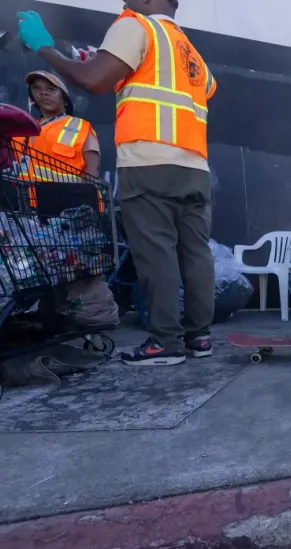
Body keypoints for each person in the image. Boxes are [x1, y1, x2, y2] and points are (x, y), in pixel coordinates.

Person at [17, 1, 218, 366]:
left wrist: (44, 46)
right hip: (195, 166)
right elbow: (201, 87)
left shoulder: (135, 25)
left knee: (156, 251)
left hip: (148, 162)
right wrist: (99, 57)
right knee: (195, 252)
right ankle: (199, 337)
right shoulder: (189, 51)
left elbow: (93, 80)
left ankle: (166, 343)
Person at [15, 70, 100, 179]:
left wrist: (82, 195)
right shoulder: (22, 130)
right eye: (36, 88)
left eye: (51, 89)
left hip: (70, 195)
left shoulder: (80, 126)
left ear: (64, 97)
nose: (43, 93)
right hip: (27, 196)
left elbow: (93, 168)